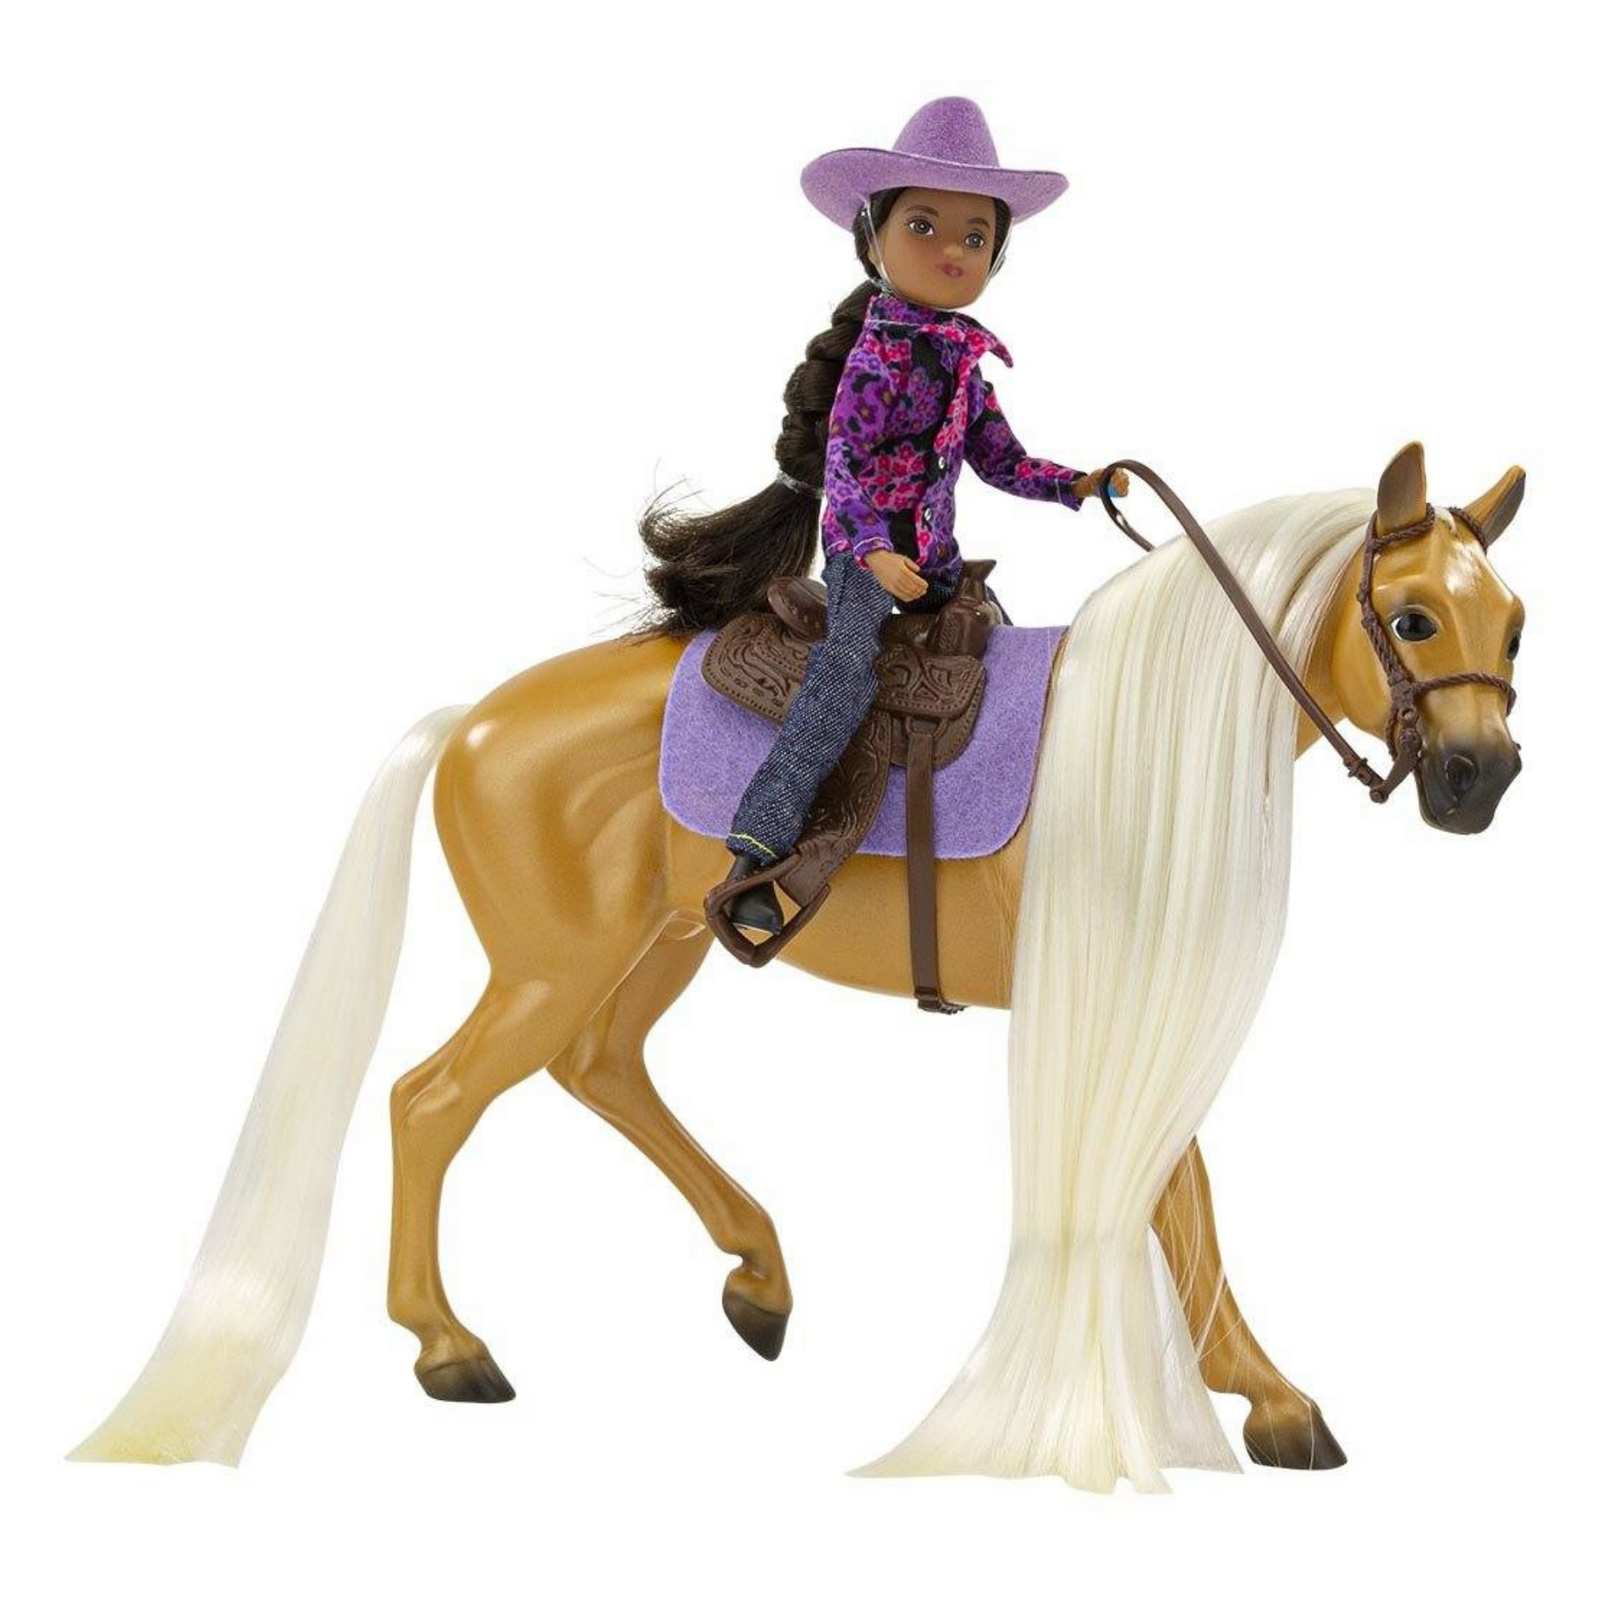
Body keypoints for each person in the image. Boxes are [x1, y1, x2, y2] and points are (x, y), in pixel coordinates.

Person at [633, 97, 1127, 936]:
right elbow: (846, 467)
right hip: (867, 560)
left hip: (936, 566)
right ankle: (763, 845)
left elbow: (1001, 460)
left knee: (1002, 676)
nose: (952, 251)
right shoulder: (879, 357)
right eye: (924, 227)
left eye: (975, 237)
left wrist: (1077, 485)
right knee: (846, 675)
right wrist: (868, 552)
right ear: (873, 240)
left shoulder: (963, 363)